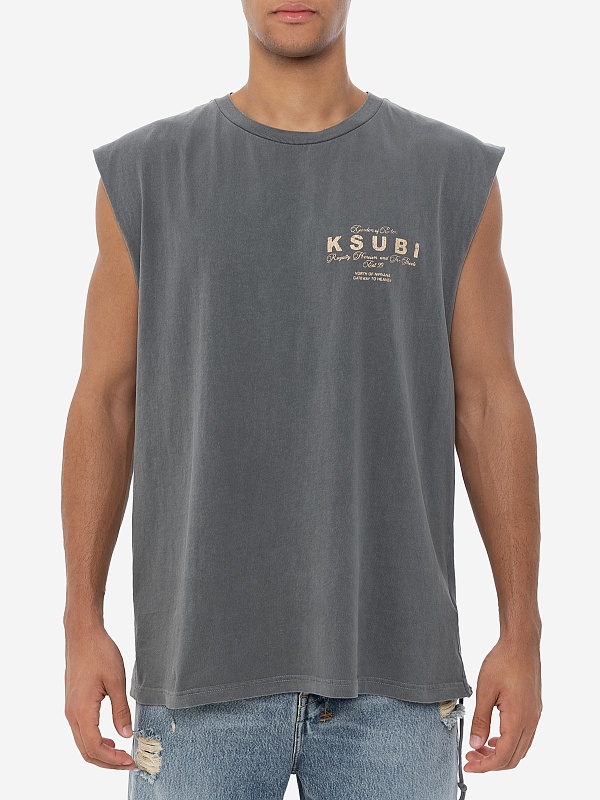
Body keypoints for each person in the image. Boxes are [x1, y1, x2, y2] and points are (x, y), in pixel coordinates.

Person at [62, 1, 543, 797]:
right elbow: (105, 403)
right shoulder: (146, 175)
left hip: (398, 685)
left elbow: (491, 401)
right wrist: (82, 622)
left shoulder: (448, 175)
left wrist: (521, 631)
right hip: (195, 684)